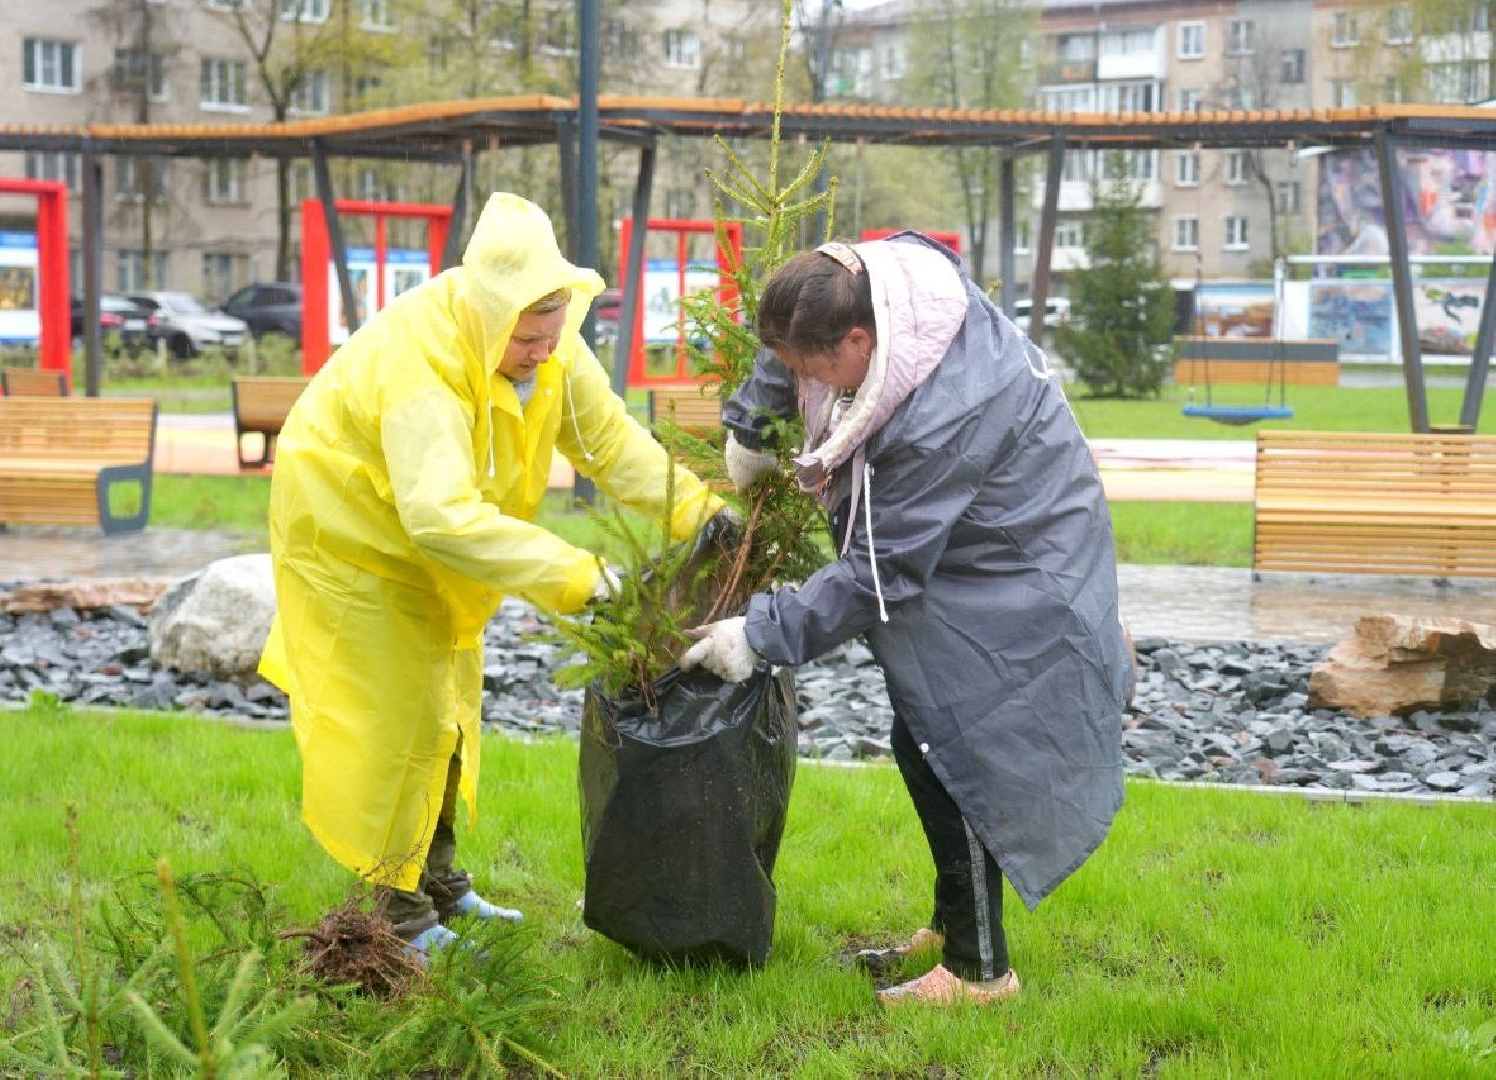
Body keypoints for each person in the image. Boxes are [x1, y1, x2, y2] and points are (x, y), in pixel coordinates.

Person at [259, 192, 722, 962]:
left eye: (552, 333)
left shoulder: (545, 342)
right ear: (488, 313)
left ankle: (437, 883)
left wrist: (702, 515)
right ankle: (395, 920)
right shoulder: (421, 363)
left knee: (443, 710)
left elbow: (609, 444)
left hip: (423, 544)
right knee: (389, 725)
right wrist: (581, 577)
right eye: (528, 338)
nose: (542, 350)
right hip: (348, 539)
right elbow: (439, 516)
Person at [682, 234, 1132, 1006]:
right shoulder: (875, 281)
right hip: (973, 543)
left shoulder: (941, 417)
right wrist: (750, 418)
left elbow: (880, 572)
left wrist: (757, 635)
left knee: (958, 746)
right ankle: (954, 924)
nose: (804, 382)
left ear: (859, 341)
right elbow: (793, 326)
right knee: (917, 730)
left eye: (813, 371)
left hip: (1020, 566)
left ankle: (980, 973)